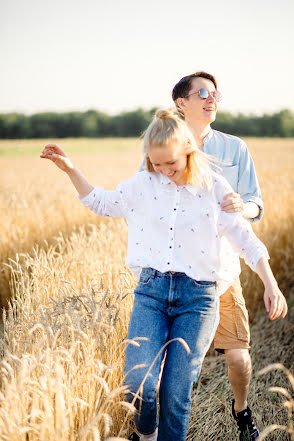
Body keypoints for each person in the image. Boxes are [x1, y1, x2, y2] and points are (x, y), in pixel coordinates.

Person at [40, 110, 287, 441]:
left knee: (175, 394)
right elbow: (102, 202)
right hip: (151, 293)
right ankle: (147, 434)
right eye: (156, 164)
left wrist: (271, 284)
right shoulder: (144, 184)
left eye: (170, 163)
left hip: (197, 299)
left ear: (188, 149)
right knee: (138, 382)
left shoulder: (214, 188)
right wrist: (70, 169)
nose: (164, 171)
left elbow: (247, 241)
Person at [171, 71, 268, 440]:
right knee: (173, 360)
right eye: (202, 94)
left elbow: (257, 203)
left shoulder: (235, 148)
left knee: (238, 354)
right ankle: (158, 425)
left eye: (215, 94)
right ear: (182, 103)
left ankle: (242, 411)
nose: (211, 100)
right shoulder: (164, 145)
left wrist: (242, 208)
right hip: (176, 271)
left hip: (222, 270)